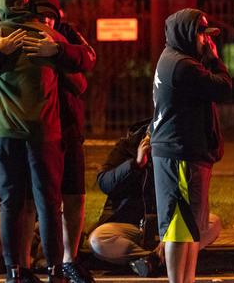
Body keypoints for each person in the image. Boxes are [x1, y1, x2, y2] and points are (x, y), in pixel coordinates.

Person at [0, 0, 92, 283]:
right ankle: (55, 269)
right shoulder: (47, 33)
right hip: (45, 132)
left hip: (5, 132)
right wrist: (59, 50)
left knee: (12, 203)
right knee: (49, 203)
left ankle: (16, 270)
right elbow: (86, 60)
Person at [150, 9, 231, 283]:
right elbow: (222, 88)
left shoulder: (176, 60)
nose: (205, 42)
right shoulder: (182, 65)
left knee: (190, 228)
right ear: (185, 34)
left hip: (184, 152)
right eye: (200, 34)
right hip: (179, 154)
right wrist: (215, 59)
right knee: (178, 226)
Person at [88, 119, 222, 278]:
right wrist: (136, 164)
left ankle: (152, 261)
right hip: (131, 226)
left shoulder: (176, 153)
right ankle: (156, 259)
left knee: (213, 223)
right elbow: (105, 183)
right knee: (98, 239)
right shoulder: (127, 147)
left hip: (167, 229)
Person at [30, 0, 96, 283]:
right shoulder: (26, 34)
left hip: (69, 125)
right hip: (41, 129)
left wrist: (56, 52)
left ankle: (70, 257)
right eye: (40, 15)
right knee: (44, 197)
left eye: (50, 16)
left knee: (74, 194)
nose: (46, 21)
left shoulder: (67, 33)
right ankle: (46, 258)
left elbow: (86, 66)